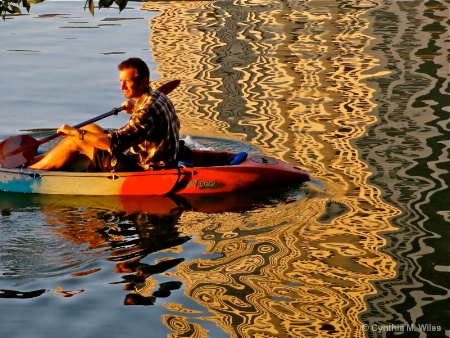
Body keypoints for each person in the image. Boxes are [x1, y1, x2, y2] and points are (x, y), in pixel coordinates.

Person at [29, 57, 180, 172]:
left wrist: (75, 132)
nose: (122, 87)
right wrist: (134, 109)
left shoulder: (145, 111)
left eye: (127, 82)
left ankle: (30, 172)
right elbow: (150, 122)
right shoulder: (158, 97)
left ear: (144, 81)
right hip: (148, 155)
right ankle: (33, 161)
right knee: (88, 127)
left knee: (75, 140)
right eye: (121, 81)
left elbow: (114, 144)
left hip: (142, 167)